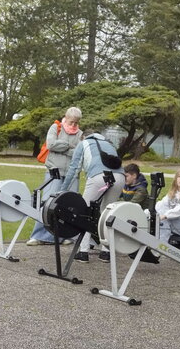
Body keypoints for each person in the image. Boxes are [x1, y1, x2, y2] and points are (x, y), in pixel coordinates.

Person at [60, 130, 125, 263]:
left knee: (85, 212)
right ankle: (106, 252)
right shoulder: (110, 144)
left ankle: (83, 252)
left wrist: (63, 190)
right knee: (107, 213)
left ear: (83, 137)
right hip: (119, 178)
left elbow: (74, 168)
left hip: (98, 177)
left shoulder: (83, 143)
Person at [27, 107, 83, 246]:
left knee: (69, 204)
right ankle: (39, 236)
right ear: (66, 117)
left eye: (76, 123)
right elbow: (51, 145)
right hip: (54, 171)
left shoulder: (80, 133)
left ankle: (65, 236)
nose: (73, 125)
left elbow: (78, 153)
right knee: (47, 202)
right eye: (71, 122)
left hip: (72, 174)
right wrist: (69, 146)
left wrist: (62, 148)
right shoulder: (55, 127)